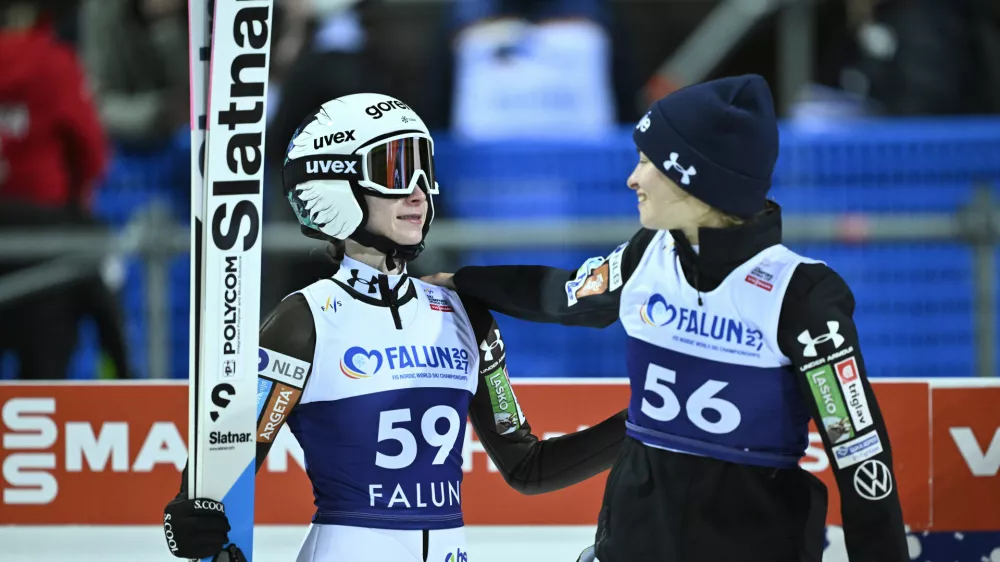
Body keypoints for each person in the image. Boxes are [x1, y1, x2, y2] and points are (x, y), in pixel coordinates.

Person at [422, 75, 909, 561]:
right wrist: (464, 282)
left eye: (646, 162)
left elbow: (858, 454)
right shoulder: (648, 255)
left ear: (693, 177)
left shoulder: (800, 294)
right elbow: (565, 297)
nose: (632, 179)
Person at [161, 93, 627, 562]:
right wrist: (188, 518)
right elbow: (228, 462)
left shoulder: (464, 314)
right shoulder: (304, 321)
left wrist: (648, 422)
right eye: (395, 170)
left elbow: (527, 466)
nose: (418, 191)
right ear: (333, 185)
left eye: (424, 168)